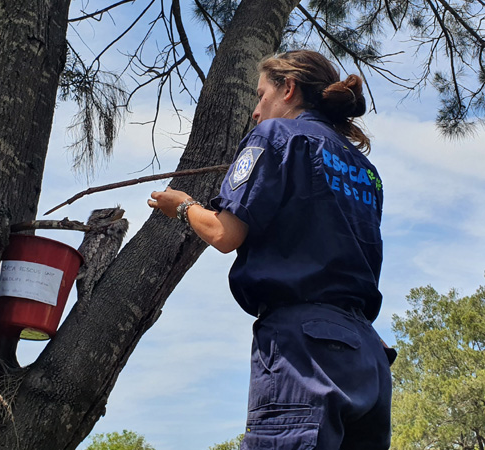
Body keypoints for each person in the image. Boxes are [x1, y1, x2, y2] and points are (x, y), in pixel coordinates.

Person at [147, 50, 393, 449]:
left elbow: (224, 234)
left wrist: (183, 206)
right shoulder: (366, 170)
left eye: (262, 96)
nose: (256, 111)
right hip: (369, 357)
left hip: (307, 352)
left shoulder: (276, 135)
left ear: (289, 89)